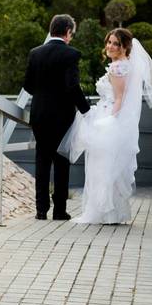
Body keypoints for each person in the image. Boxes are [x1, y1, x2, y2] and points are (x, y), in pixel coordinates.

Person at [58, 27, 152, 224]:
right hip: (112, 115)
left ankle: (102, 213)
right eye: (109, 42)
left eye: (115, 43)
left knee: (102, 167)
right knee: (108, 168)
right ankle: (112, 214)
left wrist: (109, 122)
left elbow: (119, 98)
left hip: (110, 117)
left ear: (124, 47)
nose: (110, 46)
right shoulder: (124, 65)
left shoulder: (118, 67)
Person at [23, 14, 91, 220]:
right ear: (68, 32)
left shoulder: (35, 53)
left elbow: (28, 85)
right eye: (72, 33)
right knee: (62, 161)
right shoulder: (71, 54)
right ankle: (59, 210)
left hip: (39, 114)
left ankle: (40, 210)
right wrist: (87, 110)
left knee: (42, 160)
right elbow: (72, 86)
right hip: (62, 116)